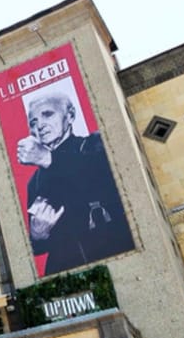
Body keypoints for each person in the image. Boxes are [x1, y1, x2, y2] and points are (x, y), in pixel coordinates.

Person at [16, 92, 134, 275]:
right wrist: (39, 234)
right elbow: (37, 248)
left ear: (70, 115)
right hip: (66, 273)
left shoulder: (95, 144)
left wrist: (48, 158)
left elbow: (105, 182)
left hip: (114, 259)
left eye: (47, 114)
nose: (39, 125)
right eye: (33, 122)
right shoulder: (35, 181)